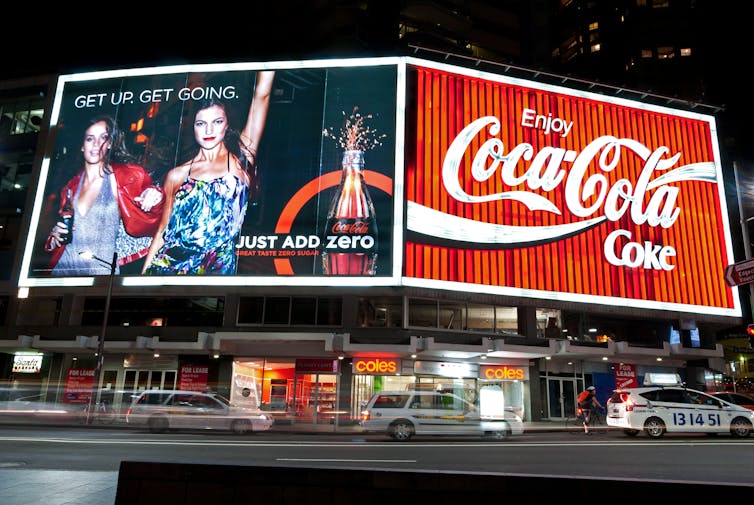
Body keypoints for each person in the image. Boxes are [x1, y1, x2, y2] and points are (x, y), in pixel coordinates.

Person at [142, 70, 274, 275]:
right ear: (193, 128)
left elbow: (261, 95)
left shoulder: (241, 160)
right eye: (201, 123)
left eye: (217, 122)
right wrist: (141, 280)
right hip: (168, 269)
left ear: (227, 125)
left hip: (216, 270)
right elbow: (163, 231)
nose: (209, 130)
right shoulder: (177, 175)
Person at [44, 115, 165, 275]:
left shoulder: (126, 177)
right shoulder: (70, 188)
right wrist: (55, 237)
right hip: (64, 269)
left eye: (103, 138)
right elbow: (67, 231)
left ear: (109, 144)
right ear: (82, 145)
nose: (96, 145)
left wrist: (156, 196)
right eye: (89, 139)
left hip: (101, 272)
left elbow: (154, 217)